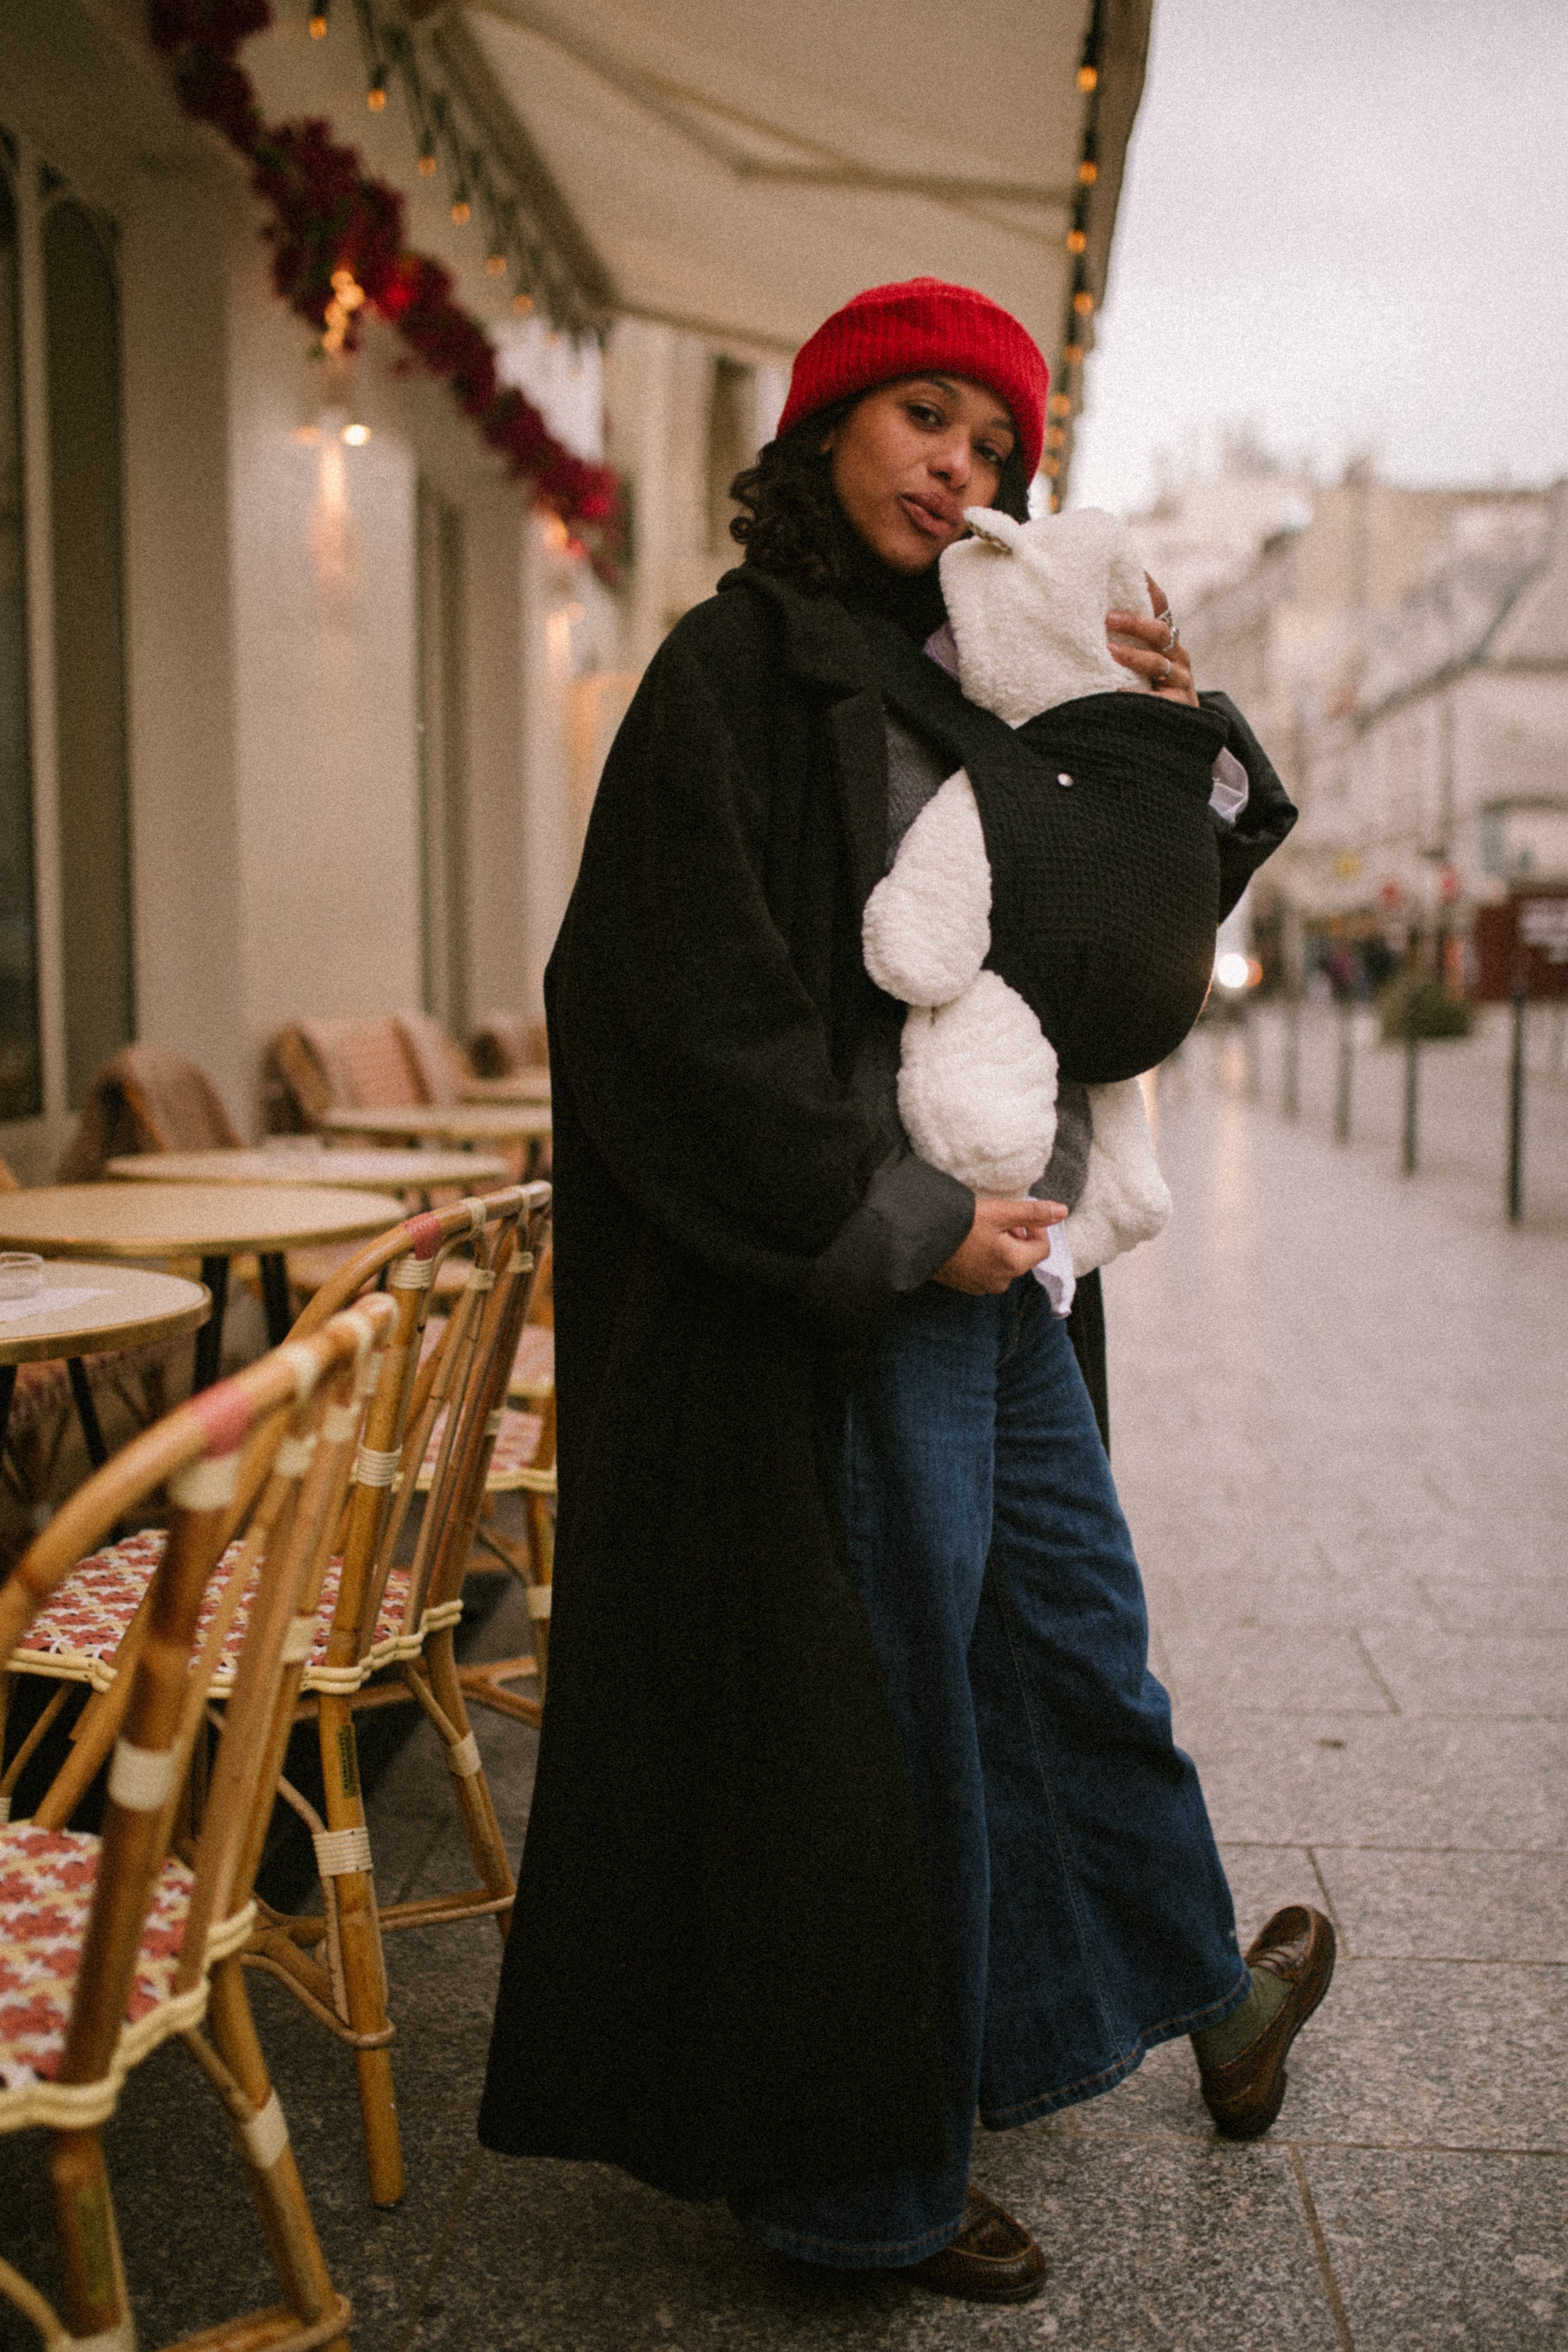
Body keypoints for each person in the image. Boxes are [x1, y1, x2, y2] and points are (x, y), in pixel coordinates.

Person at [480, 278, 1334, 2304]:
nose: (957, 465)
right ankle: (866, 2182)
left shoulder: (994, 678)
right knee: (882, 1712)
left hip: (1002, 1269)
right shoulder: (734, 667)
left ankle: (1199, 1992)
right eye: (921, 418)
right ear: (828, 433)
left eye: (992, 444)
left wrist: (1172, 722)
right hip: (843, 1283)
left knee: (1065, 1632)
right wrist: (889, 1221)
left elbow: (1129, 937)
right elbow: (662, 1007)